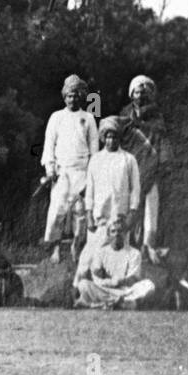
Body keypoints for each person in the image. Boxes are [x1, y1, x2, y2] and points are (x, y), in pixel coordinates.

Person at [40, 74, 99, 263]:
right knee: (57, 210)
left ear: (81, 96)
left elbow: (94, 149)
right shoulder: (56, 117)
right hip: (61, 172)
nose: (72, 99)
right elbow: (49, 145)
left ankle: (76, 246)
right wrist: (50, 170)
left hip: (82, 171)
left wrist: (91, 176)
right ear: (64, 97)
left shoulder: (88, 118)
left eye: (75, 95)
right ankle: (55, 249)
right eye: (69, 96)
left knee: (80, 213)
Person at [121, 75, 167, 255]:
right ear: (131, 94)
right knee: (128, 206)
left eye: (144, 92)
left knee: (151, 207)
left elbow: (162, 142)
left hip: (151, 169)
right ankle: (125, 243)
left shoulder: (157, 118)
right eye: (137, 92)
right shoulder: (125, 116)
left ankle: (148, 245)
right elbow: (121, 141)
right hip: (131, 168)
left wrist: (163, 162)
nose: (141, 96)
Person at [83, 115, 141, 257]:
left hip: (120, 215)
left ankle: (119, 278)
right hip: (100, 216)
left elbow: (135, 189)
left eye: (114, 137)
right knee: (97, 252)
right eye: (108, 137)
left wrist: (132, 213)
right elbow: (90, 189)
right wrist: (89, 214)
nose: (111, 140)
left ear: (119, 138)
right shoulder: (96, 160)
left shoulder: (128, 159)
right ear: (103, 138)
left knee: (119, 253)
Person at [72, 214, 157, 309]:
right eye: (113, 231)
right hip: (104, 289)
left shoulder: (134, 253)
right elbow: (97, 278)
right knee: (83, 285)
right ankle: (119, 303)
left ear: (125, 234)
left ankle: (102, 304)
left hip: (125, 291)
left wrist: (117, 281)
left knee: (149, 285)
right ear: (108, 234)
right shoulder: (100, 252)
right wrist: (111, 282)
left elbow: (133, 279)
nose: (117, 234)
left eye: (120, 231)